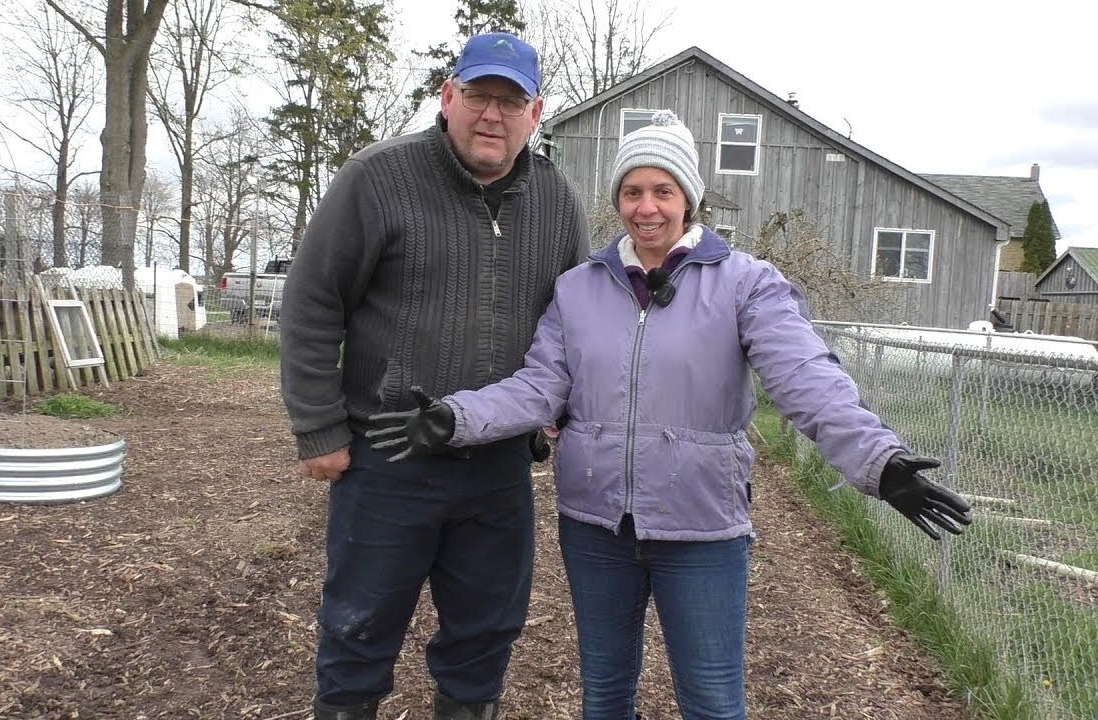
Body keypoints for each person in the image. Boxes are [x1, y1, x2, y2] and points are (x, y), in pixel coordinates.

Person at [368, 110, 972, 720]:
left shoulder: (745, 285)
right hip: (595, 524)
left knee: (710, 701)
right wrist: (455, 417)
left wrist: (878, 460)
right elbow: (538, 386)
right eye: (632, 191)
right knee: (604, 695)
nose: (646, 207)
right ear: (617, 200)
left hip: (702, 526)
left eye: (663, 191)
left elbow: (805, 377)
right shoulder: (580, 288)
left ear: (690, 199)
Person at [278, 31, 590, 720]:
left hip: (498, 465)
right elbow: (311, 303)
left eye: (511, 103)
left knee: (484, 634)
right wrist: (319, 427)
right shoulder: (377, 178)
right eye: (479, 95)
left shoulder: (557, 201)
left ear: (535, 116)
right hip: (387, 454)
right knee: (360, 626)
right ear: (447, 97)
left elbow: (575, 322)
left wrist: (556, 417)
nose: (492, 115)